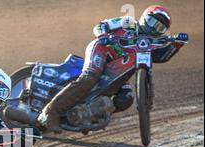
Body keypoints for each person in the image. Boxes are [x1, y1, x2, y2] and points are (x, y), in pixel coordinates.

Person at [38, 5, 189, 132]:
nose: (152, 28)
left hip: (118, 73)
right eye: (151, 21)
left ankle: (88, 115)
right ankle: (49, 112)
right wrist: (102, 35)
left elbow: (161, 57)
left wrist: (177, 44)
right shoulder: (129, 22)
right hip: (102, 50)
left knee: (126, 99)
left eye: (159, 27)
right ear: (144, 16)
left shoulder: (155, 43)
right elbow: (101, 25)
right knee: (89, 77)